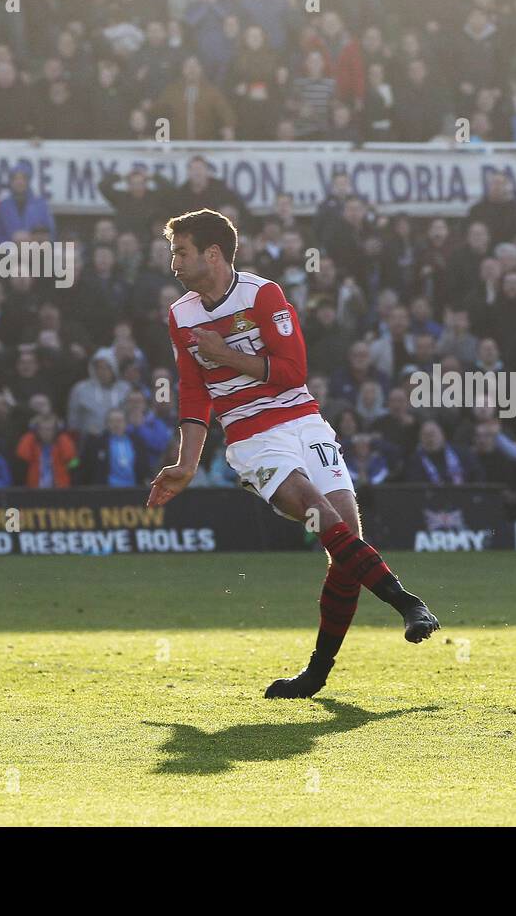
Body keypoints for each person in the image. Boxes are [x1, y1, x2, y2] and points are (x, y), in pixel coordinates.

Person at [147, 210, 439, 699]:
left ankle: (317, 675)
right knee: (323, 520)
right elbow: (194, 393)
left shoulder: (263, 294)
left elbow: (293, 370)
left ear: (211, 254)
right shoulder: (181, 315)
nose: (173, 261)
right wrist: (187, 462)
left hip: (302, 421)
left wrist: (225, 355)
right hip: (250, 437)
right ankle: (407, 602)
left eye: (181, 251)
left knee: (344, 545)